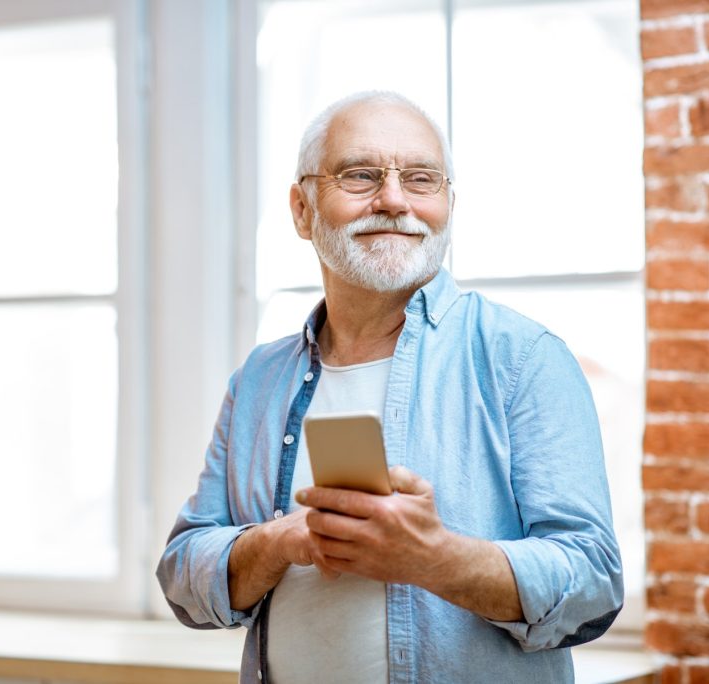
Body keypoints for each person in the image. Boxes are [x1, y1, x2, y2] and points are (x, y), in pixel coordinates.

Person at [156, 91, 623, 684]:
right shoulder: (257, 381)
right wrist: (279, 542)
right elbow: (181, 575)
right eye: (360, 175)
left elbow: (594, 585)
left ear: (448, 204)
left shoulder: (524, 359)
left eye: (421, 179)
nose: (395, 199)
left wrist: (434, 558)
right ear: (302, 210)